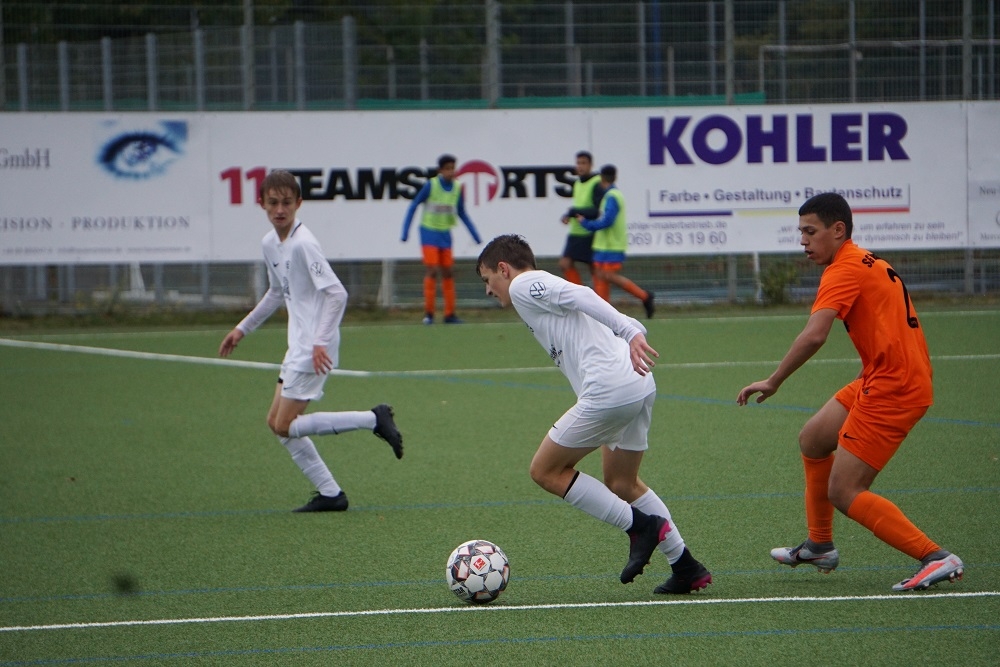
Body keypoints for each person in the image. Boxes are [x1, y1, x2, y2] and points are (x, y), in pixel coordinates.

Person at [736, 192, 963, 592]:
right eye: (801, 232)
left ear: (838, 230)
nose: (803, 241)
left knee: (844, 490)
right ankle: (819, 545)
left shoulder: (842, 270)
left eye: (810, 232)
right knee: (813, 439)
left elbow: (815, 335)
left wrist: (774, 380)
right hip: (884, 376)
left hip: (895, 386)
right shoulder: (866, 260)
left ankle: (935, 556)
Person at [476, 233, 711, 594]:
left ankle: (640, 527)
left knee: (545, 470)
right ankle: (685, 566)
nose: (488, 290)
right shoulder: (535, 293)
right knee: (622, 483)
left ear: (504, 269)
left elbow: (582, 293)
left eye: (487, 279)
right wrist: (630, 329)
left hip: (610, 390)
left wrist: (629, 330)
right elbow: (586, 304)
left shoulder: (523, 285)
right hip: (638, 383)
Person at [219, 169, 403, 513]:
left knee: (283, 425)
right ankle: (331, 493)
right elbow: (277, 292)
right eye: (273, 202)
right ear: (262, 204)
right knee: (276, 424)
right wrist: (242, 329)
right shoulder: (270, 243)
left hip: (313, 347)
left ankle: (373, 419)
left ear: (299, 203)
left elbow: (337, 294)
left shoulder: (304, 244)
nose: (280, 209)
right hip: (298, 345)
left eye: (287, 203)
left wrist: (320, 341)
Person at [401, 154, 482, 324]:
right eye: (447, 169)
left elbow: (461, 212)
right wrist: (405, 231)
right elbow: (414, 205)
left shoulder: (457, 188)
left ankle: (449, 314)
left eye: (453, 168)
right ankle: (429, 314)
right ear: (440, 170)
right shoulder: (431, 185)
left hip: (445, 234)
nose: (451, 172)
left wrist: (474, 234)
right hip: (429, 232)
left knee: (448, 271)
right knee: (432, 270)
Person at [577, 165, 655, 318]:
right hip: (604, 244)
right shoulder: (611, 195)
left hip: (611, 245)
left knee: (607, 275)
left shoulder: (612, 196)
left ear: (601, 179)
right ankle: (603, 313)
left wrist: (587, 224)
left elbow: (607, 220)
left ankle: (644, 296)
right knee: (600, 276)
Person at [558, 150, 603, 286]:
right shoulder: (577, 183)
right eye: (578, 163)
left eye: (584, 163)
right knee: (565, 263)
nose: (580, 166)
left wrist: (574, 211)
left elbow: (596, 211)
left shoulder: (596, 183)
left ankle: (599, 297)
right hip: (576, 231)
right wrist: (568, 216)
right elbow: (578, 207)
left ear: (591, 165)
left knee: (593, 267)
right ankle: (580, 294)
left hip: (589, 231)